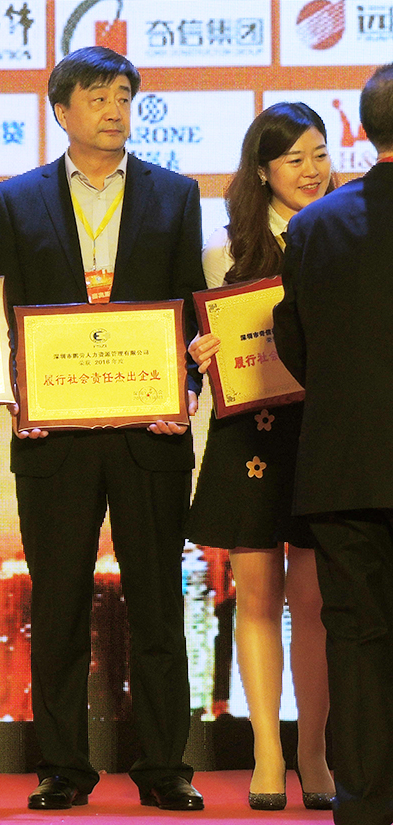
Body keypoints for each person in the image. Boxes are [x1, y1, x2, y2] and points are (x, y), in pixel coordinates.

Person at [0, 46, 206, 811]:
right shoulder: (16, 199)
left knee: (158, 605)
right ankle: (62, 766)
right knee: (57, 607)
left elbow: (190, 306)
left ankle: (165, 766)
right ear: (62, 110)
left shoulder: (175, 193)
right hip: (55, 437)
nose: (114, 109)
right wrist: (18, 392)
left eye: (123, 96)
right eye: (97, 96)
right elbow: (5, 316)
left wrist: (185, 384)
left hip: (150, 432)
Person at [186, 102, 336, 811]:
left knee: (313, 604)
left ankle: (315, 751)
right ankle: (268, 752)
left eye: (320, 154)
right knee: (256, 598)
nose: (311, 170)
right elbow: (194, 350)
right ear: (262, 170)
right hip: (248, 434)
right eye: (294, 159)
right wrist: (199, 351)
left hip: (322, 434)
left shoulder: (345, 235)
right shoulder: (225, 254)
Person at [273, 63, 393, 825]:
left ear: (365, 128)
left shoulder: (315, 225)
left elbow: (296, 343)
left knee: (354, 637)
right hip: (349, 464)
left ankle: (365, 805)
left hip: (346, 466)